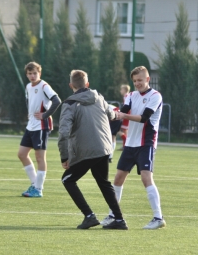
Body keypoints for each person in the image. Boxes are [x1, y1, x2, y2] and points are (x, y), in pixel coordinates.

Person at [58, 70, 128, 230]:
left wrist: (64, 156)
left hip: (85, 151)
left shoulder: (69, 104)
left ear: (71, 86)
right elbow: (112, 115)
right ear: (87, 84)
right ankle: (119, 219)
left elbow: (63, 132)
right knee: (104, 182)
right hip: (104, 148)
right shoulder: (100, 98)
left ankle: (89, 216)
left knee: (67, 180)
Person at [100, 66, 166, 230]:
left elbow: (144, 118)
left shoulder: (155, 96)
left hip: (146, 144)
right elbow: (122, 111)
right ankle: (113, 214)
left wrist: (123, 116)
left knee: (146, 179)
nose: (137, 83)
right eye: (135, 81)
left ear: (148, 79)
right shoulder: (130, 95)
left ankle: (158, 218)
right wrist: (109, 112)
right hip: (130, 144)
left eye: (140, 80)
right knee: (118, 179)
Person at [18, 62, 61, 197]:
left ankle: (38, 189)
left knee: (39, 157)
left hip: (42, 126)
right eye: (29, 73)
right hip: (31, 125)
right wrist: (29, 112)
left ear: (39, 73)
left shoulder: (44, 86)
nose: (32, 76)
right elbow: (28, 100)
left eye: (34, 73)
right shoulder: (28, 86)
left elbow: (57, 101)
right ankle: (34, 185)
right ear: (26, 75)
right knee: (22, 154)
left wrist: (45, 114)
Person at [118, 84, 131, 149]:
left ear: (125, 90)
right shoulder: (127, 96)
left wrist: (123, 115)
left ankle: (126, 144)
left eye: (121, 89)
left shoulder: (126, 96)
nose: (120, 91)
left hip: (126, 115)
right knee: (125, 131)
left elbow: (127, 107)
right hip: (127, 115)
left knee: (119, 130)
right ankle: (124, 145)